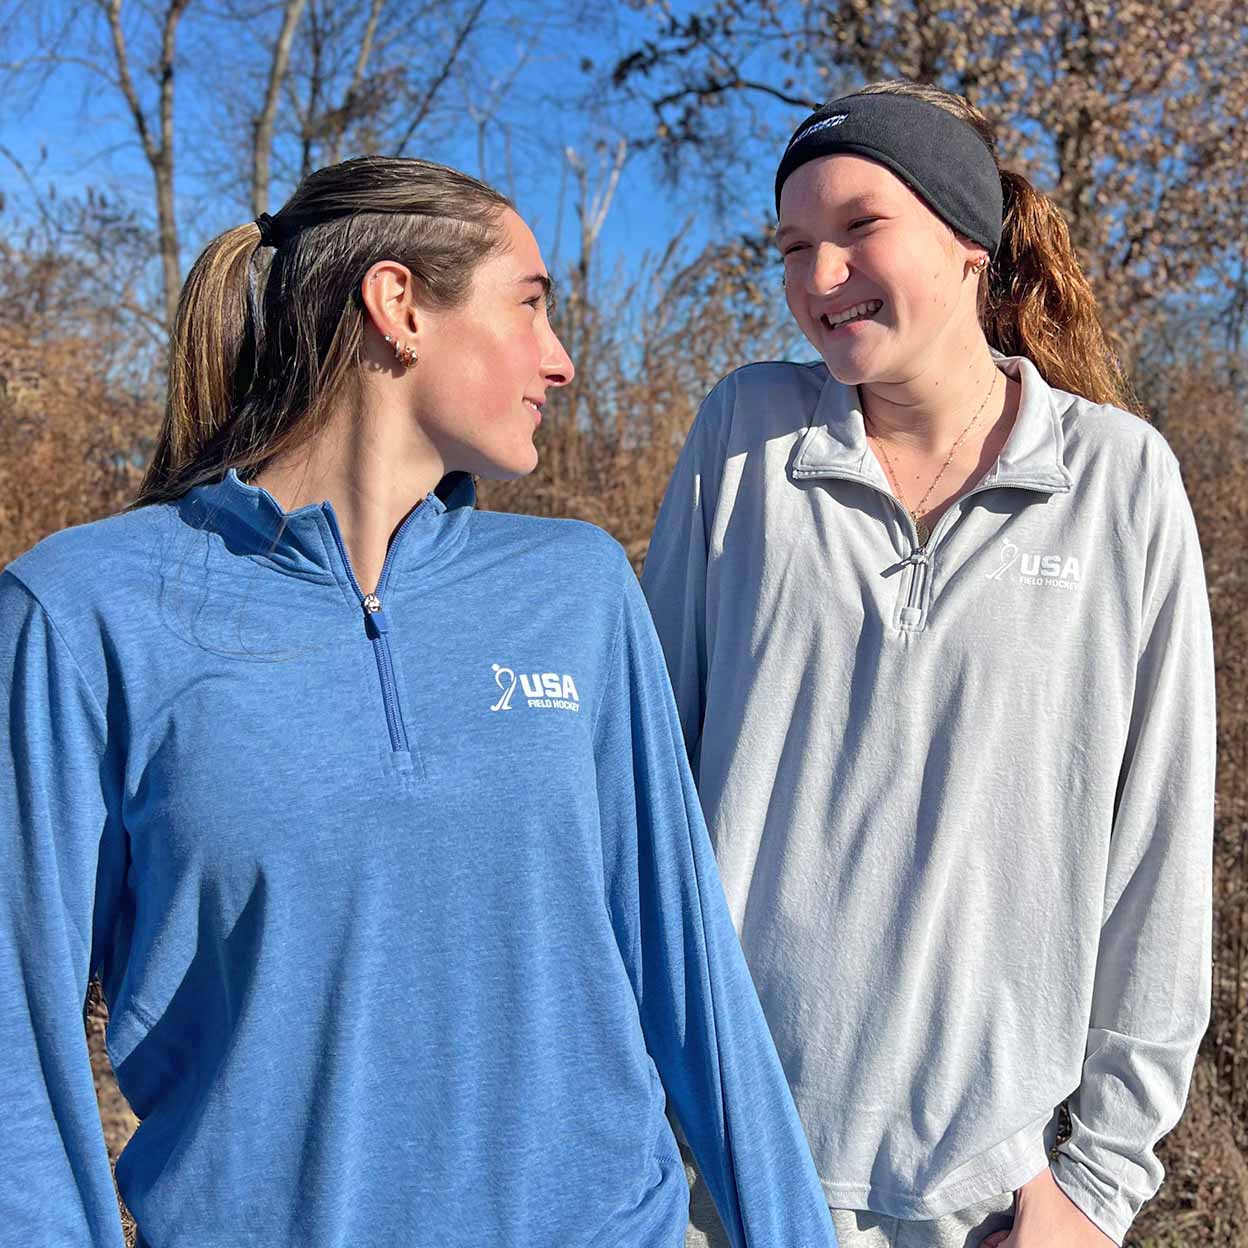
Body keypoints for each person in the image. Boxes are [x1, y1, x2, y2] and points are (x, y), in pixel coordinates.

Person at [0, 155, 838, 1248]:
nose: (563, 359)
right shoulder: (80, 613)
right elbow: (18, 1038)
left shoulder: (577, 591)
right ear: (398, 305)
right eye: (531, 304)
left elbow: (692, 978)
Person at [641, 81, 1215, 1248]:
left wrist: (1100, 1191)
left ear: (967, 244)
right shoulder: (746, 441)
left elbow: (1159, 853)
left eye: (859, 228)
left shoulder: (1120, 481)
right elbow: (638, 799)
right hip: (723, 1180)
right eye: (793, 248)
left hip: (994, 1207)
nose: (819, 276)